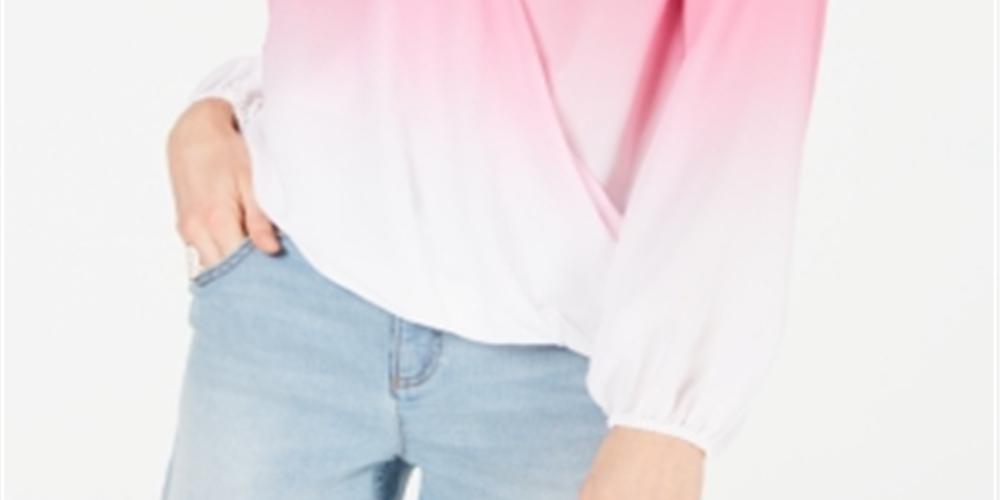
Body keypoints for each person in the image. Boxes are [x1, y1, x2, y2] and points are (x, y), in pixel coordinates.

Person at [161, 0, 828, 498]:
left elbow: (746, 96)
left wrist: (666, 418)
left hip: (560, 362)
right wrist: (230, 99)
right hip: (292, 281)